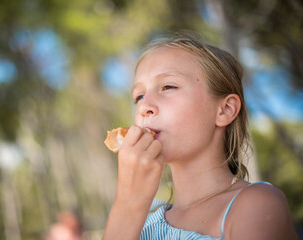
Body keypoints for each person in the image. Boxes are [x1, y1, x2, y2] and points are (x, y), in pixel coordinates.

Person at [103, 34, 298, 240]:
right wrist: (128, 204)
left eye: (168, 86)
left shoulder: (256, 204)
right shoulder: (140, 218)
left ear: (225, 110)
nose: (144, 107)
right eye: (138, 96)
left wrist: (129, 204)